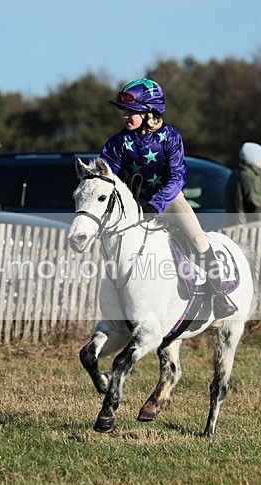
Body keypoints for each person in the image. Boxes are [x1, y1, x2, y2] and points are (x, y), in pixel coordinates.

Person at [100, 78, 237, 318]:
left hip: (170, 200)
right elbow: (107, 176)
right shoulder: (117, 143)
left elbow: (177, 177)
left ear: (149, 111)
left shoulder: (170, 136)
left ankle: (219, 296)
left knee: (198, 238)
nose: (125, 116)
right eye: (124, 110)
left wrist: (154, 205)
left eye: (131, 111)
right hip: (135, 206)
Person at [223, 142, 261, 226]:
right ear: (255, 159)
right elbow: (259, 212)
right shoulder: (249, 177)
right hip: (245, 231)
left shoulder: (235, 174)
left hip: (234, 228)